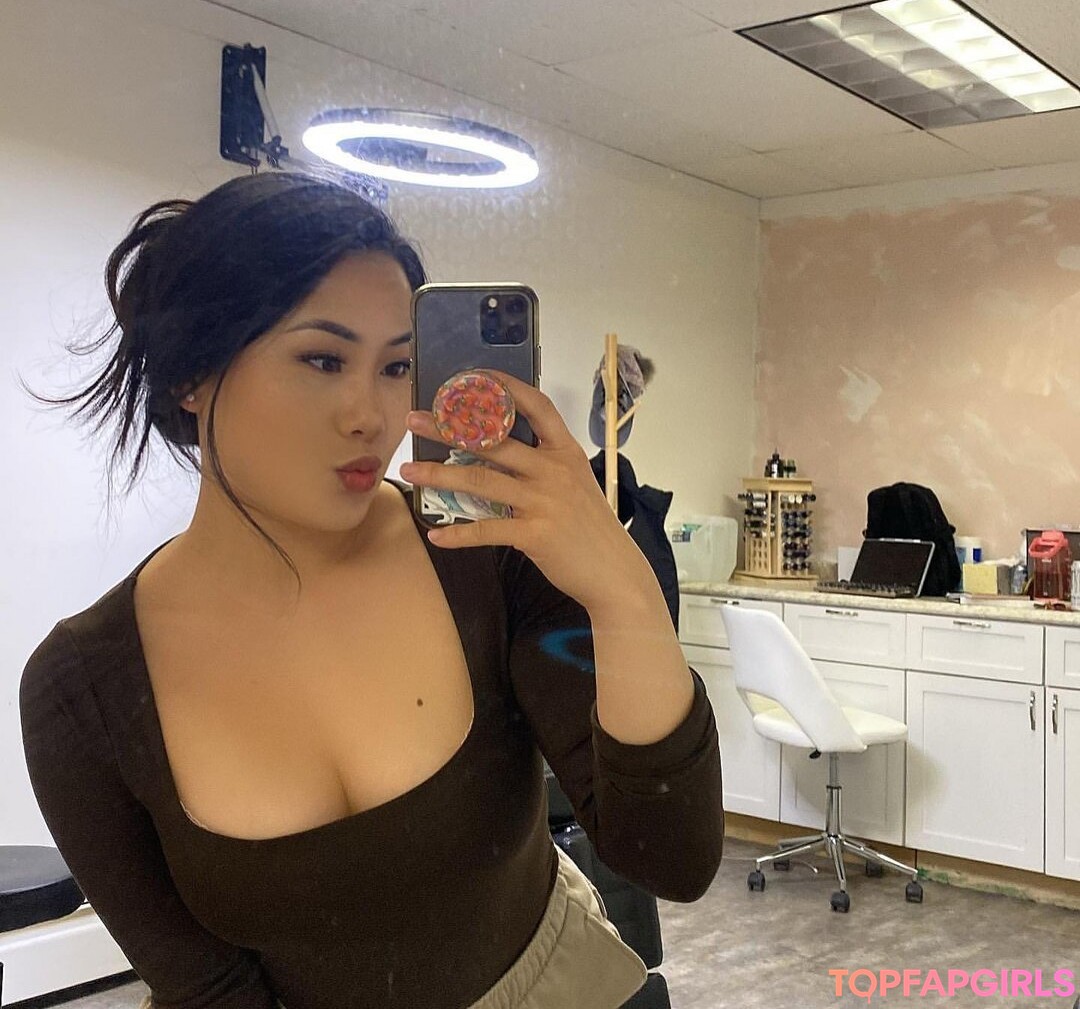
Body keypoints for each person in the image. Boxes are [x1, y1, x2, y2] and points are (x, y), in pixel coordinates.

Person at [18, 170, 724, 1009]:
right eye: (323, 359)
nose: (371, 414)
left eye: (397, 366)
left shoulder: (483, 557)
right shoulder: (83, 690)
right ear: (191, 373)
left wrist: (622, 589)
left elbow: (669, 858)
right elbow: (206, 988)